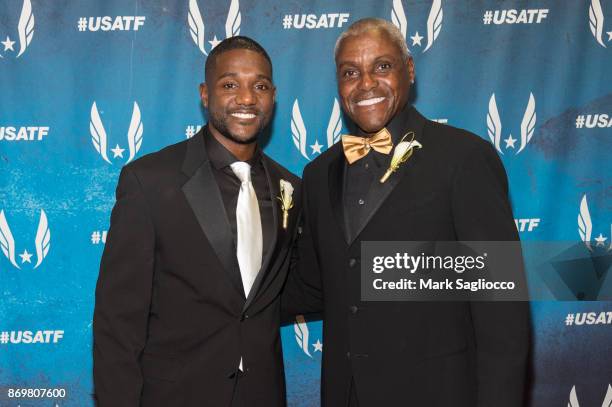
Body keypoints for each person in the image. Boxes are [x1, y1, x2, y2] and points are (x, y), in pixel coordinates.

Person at [283, 18, 530, 407]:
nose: (366, 84)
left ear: (409, 70)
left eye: (382, 66)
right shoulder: (318, 174)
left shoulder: (464, 159)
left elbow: (502, 313)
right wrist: (228, 297)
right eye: (350, 72)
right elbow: (316, 284)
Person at [93, 36, 300, 407]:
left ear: (273, 95)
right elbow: (117, 322)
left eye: (260, 85)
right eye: (230, 84)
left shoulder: (290, 188)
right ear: (205, 94)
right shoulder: (150, 181)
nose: (247, 98)